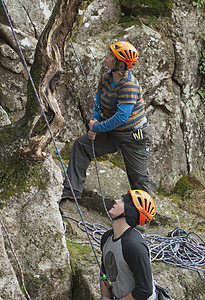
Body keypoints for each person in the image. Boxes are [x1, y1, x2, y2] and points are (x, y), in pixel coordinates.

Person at [61, 41, 152, 200]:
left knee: (139, 180)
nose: (106, 56)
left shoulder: (128, 85)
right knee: (82, 145)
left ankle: (141, 220)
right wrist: (94, 123)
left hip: (134, 138)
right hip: (113, 133)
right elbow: (98, 105)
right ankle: (71, 191)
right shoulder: (106, 79)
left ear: (119, 63)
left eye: (110, 55)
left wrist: (97, 128)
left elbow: (121, 117)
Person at [99, 189, 157, 300]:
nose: (115, 201)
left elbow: (145, 290)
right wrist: (106, 296)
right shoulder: (106, 238)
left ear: (130, 211)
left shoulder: (134, 246)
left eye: (122, 201)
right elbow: (104, 273)